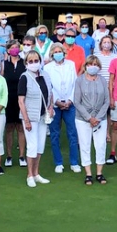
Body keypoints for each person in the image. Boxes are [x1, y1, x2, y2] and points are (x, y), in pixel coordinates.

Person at [18, 51, 54, 187]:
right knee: (32, 146)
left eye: (36, 60)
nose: (34, 63)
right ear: (26, 63)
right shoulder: (24, 77)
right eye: (31, 61)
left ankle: (36, 173)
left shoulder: (45, 75)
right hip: (30, 117)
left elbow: (50, 92)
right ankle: (29, 175)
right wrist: (26, 120)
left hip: (43, 115)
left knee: (40, 146)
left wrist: (51, 107)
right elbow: (21, 100)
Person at [74, 55, 111, 185]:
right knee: (85, 145)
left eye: (95, 64)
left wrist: (98, 118)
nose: (92, 67)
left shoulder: (102, 80)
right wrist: (89, 118)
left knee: (100, 145)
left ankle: (99, 173)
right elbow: (77, 102)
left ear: (99, 66)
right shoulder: (79, 81)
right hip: (83, 119)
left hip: (100, 119)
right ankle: (88, 173)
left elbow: (107, 101)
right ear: (85, 66)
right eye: (90, 64)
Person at [44, 43, 81, 173]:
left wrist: (70, 100)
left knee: (72, 133)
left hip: (70, 104)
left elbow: (75, 83)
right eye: (55, 51)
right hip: (55, 105)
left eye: (60, 51)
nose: (58, 53)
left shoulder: (70, 65)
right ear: (52, 54)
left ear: (64, 52)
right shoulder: (47, 68)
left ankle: (74, 162)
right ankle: (58, 162)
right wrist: (57, 102)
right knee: (55, 134)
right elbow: (49, 87)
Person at [2, 40, 28, 168]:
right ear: (8, 50)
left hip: (22, 99)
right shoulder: (3, 64)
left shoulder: (24, 63)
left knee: (20, 128)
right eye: (12, 47)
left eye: (17, 47)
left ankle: (22, 156)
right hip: (8, 99)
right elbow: (1, 80)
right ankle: (9, 156)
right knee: (9, 128)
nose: (15, 49)